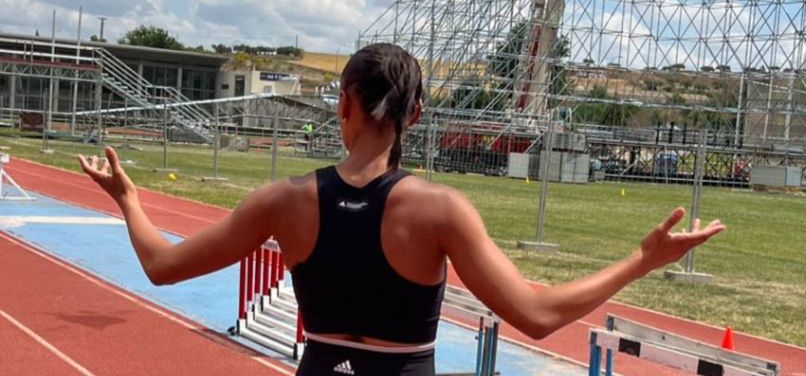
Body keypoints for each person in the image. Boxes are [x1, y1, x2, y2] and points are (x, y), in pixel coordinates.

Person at [78, 42, 725, 376]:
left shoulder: (283, 201)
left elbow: (162, 266)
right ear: (415, 115)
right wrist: (640, 260)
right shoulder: (440, 210)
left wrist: (129, 198)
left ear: (344, 105)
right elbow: (536, 314)